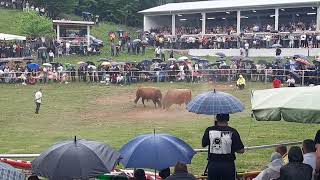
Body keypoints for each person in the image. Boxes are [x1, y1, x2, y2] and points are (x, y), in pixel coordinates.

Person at [202, 114, 245, 180]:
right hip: (228, 166)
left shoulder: (209, 130)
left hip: (213, 165)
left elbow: (204, 144)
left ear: (216, 118)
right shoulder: (233, 131)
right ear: (228, 119)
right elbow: (241, 150)